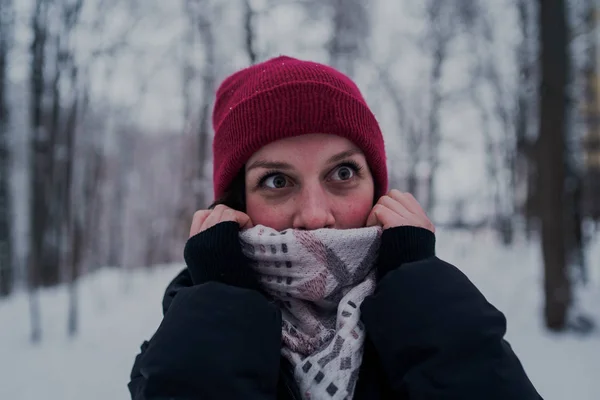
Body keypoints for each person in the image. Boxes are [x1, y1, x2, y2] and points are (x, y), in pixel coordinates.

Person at [128, 56, 542, 400]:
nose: (315, 215)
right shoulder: (186, 340)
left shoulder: (433, 314)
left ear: (378, 190)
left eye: (342, 172)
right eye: (277, 181)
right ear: (237, 206)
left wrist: (419, 295)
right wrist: (223, 303)